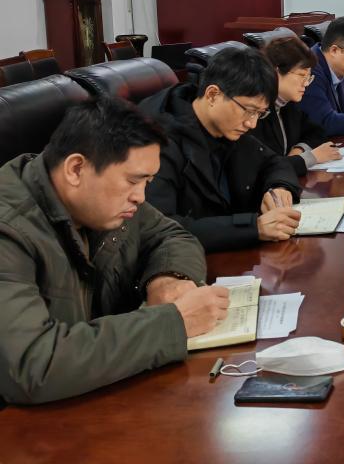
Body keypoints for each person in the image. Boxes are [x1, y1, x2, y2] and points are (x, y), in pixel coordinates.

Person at [0, 96, 229, 404]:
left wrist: (167, 278)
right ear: (76, 169)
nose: (140, 197)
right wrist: (173, 323)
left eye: (147, 181)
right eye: (133, 181)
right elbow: (34, 364)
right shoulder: (9, 230)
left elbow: (172, 235)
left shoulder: (102, 204)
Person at [139, 46, 302, 252]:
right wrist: (254, 228)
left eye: (259, 114)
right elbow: (160, 227)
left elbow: (273, 161)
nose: (252, 124)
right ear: (212, 95)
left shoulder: (226, 126)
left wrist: (279, 188)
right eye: (249, 110)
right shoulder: (159, 143)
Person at [255, 36, 342, 177]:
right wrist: (311, 157)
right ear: (276, 72)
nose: (306, 84)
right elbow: (265, 169)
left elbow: (317, 132)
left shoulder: (288, 104)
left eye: (309, 77)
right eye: (302, 75)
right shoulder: (256, 112)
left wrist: (299, 149)